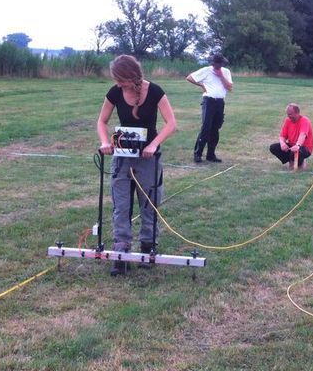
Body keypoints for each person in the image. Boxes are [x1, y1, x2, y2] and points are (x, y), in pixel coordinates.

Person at [97, 54, 177, 276]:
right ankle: (121, 251)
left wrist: (153, 145)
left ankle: (147, 247)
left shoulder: (156, 92)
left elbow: (171, 123)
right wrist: (105, 142)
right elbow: (101, 121)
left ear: (131, 76)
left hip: (148, 159)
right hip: (122, 158)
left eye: (121, 80)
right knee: (121, 205)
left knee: (149, 204)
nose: (118, 84)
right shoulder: (114, 93)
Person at [186, 53, 233, 163]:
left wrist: (221, 76)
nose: (218, 66)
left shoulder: (226, 72)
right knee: (206, 128)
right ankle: (197, 154)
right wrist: (202, 85)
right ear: (213, 63)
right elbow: (189, 77)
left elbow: (230, 87)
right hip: (209, 101)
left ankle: (211, 155)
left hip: (220, 102)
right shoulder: (206, 70)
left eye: (220, 64)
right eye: (216, 64)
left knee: (215, 129)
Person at [269, 103, 313, 170]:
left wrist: (298, 145)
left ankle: (301, 161)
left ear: (297, 113)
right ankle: (291, 160)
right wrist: (283, 144)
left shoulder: (304, 120)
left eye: (290, 114)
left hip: (304, 148)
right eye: (287, 114)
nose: (288, 116)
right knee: (273, 147)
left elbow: (303, 135)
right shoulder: (288, 121)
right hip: (292, 146)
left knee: (296, 152)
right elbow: (282, 136)